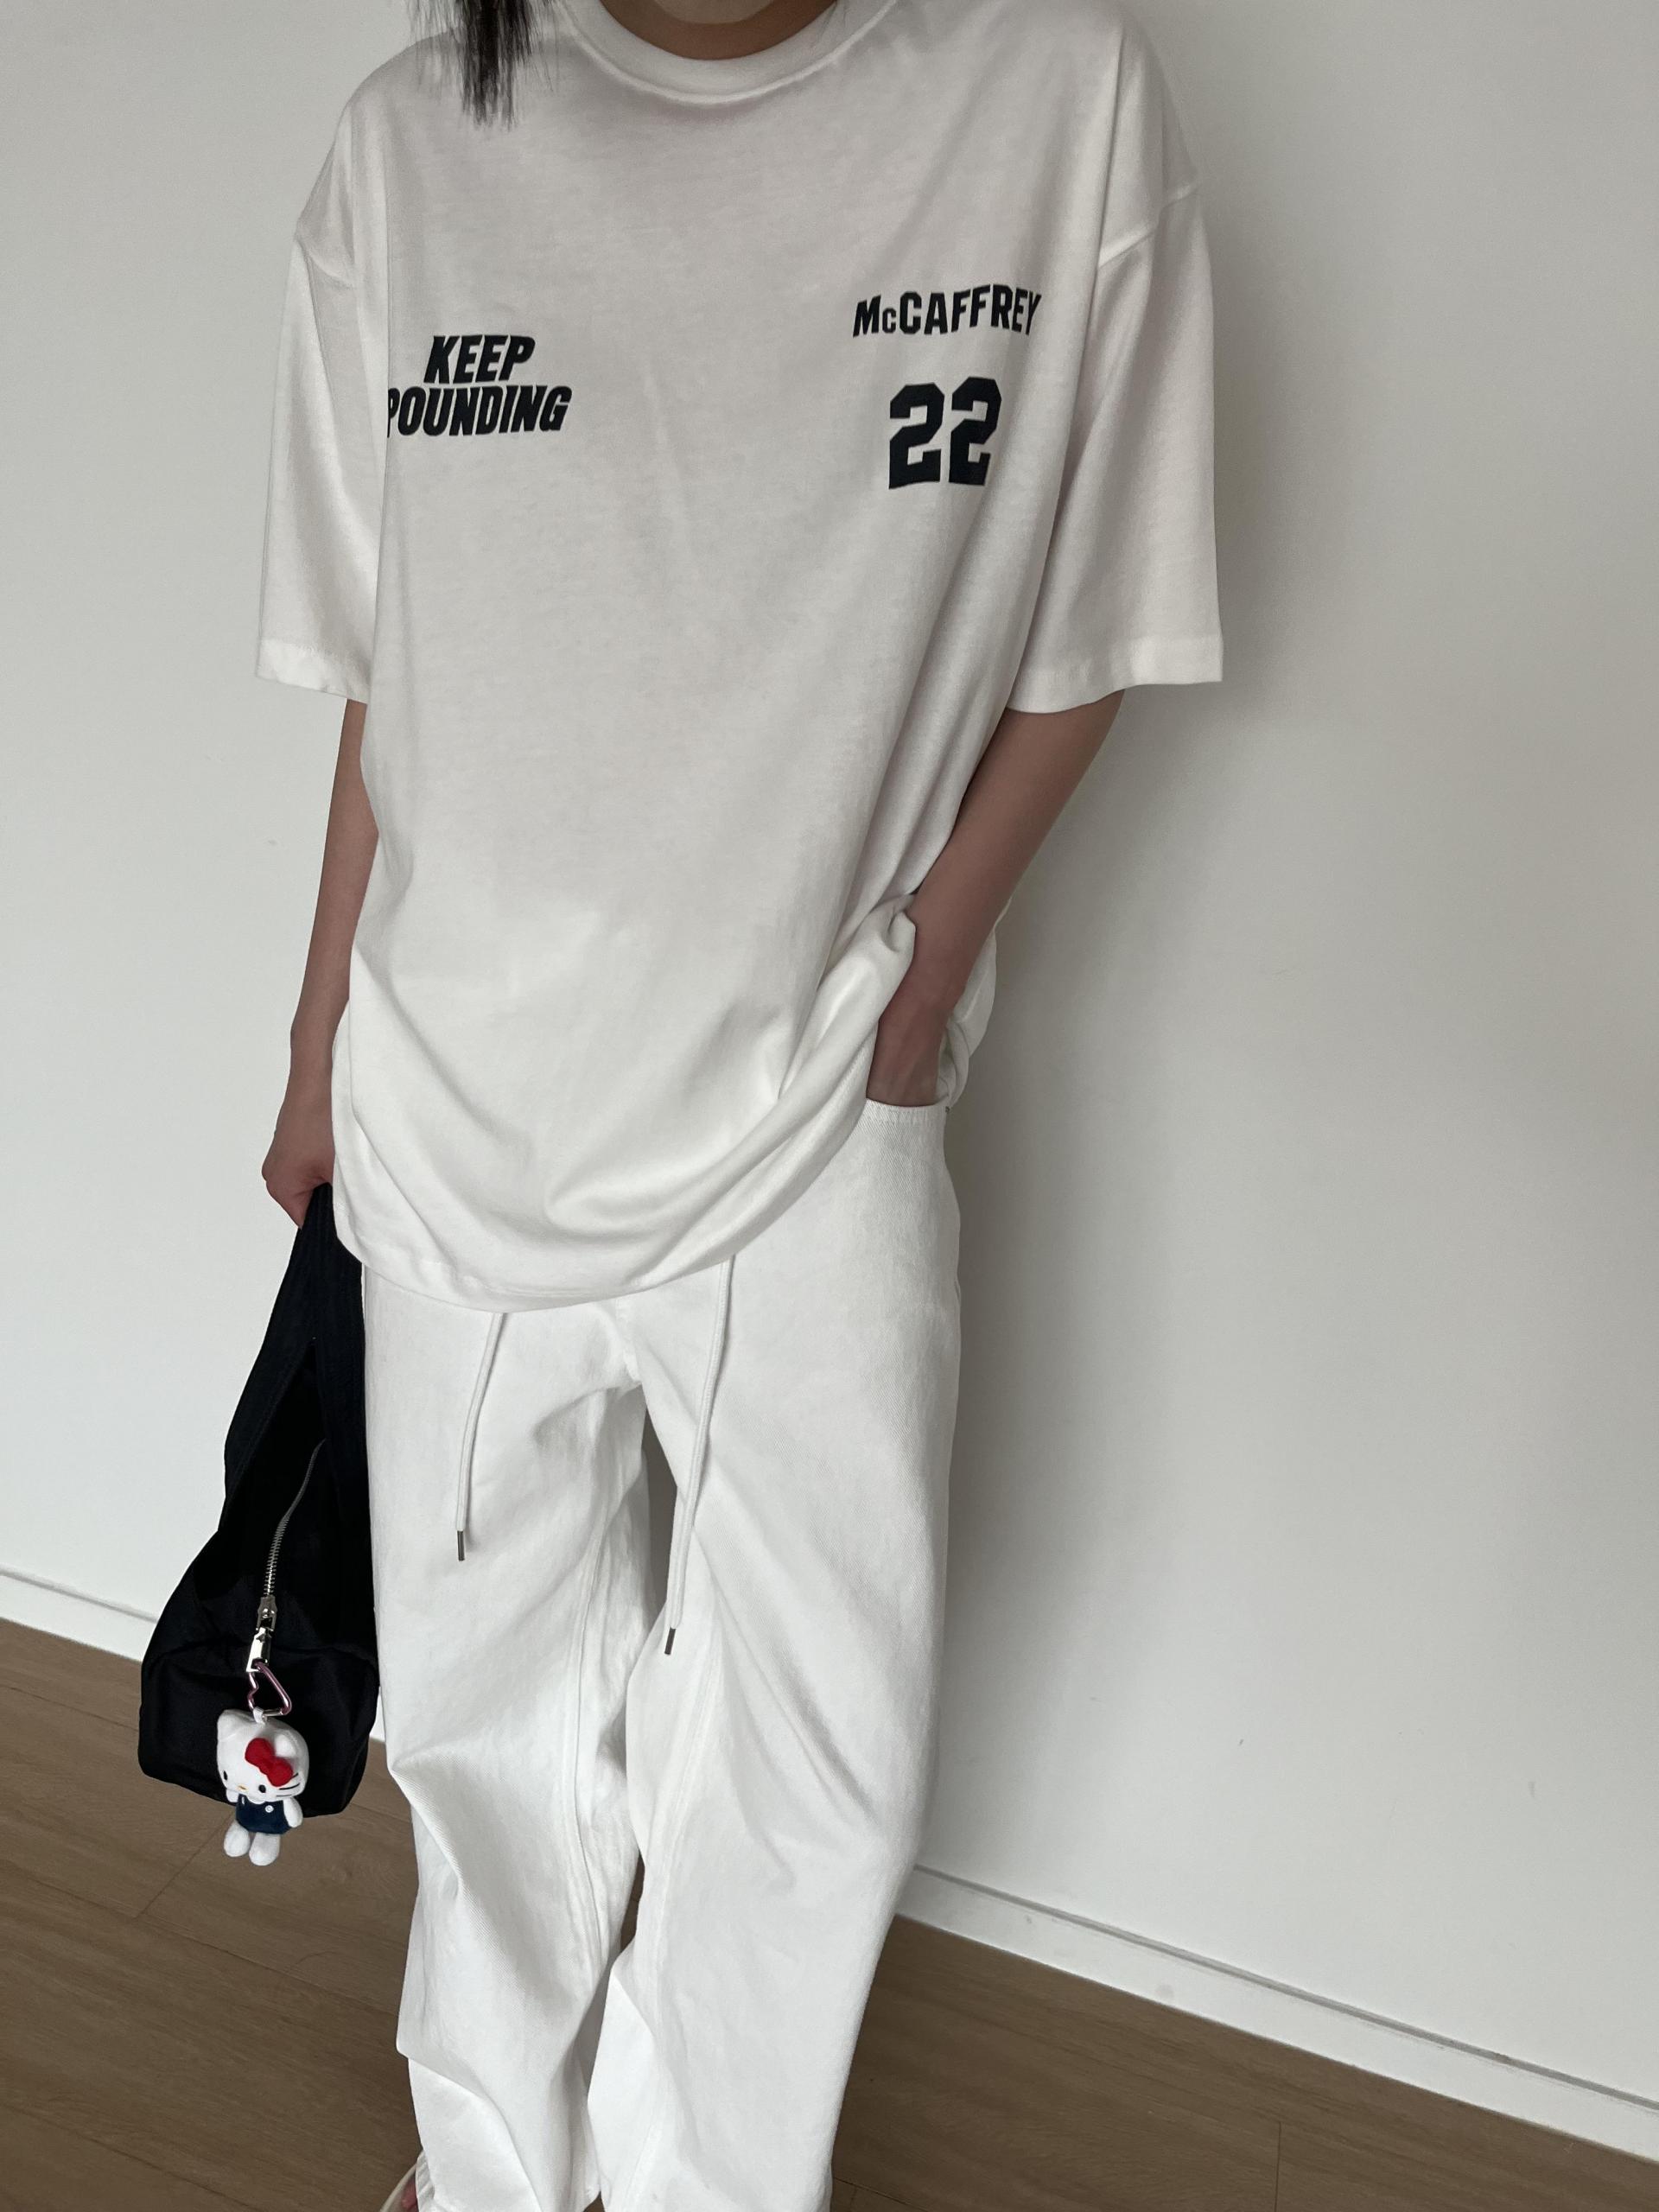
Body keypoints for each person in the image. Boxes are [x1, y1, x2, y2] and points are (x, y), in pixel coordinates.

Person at [256, 0, 1221, 2204]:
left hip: (816, 1112)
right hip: (458, 1100)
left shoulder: (1053, 106)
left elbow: (1097, 628)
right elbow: (392, 676)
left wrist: (927, 964)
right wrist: (317, 1043)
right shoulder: (414, 147)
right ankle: (493, 2168)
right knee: (489, 1724)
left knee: (816, 1753)